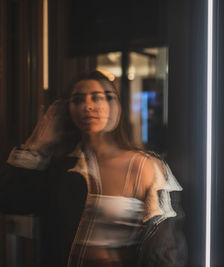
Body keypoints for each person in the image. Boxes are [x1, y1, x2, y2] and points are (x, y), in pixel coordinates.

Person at [0, 71, 186, 267]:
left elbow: (165, 247)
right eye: (78, 100)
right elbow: (9, 199)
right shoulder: (61, 168)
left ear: (116, 106)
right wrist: (37, 143)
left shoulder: (145, 166)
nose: (88, 106)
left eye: (98, 97)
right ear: (68, 110)